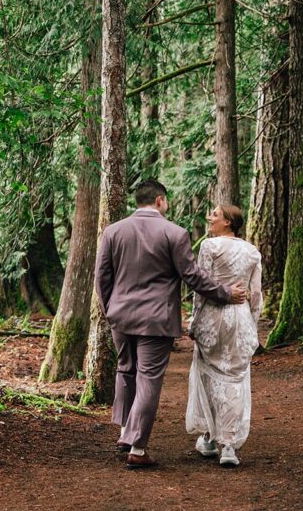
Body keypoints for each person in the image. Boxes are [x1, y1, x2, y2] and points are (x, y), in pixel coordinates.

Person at [94, 180, 248, 469]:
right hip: (156, 318)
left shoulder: (113, 231)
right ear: (160, 201)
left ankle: (126, 433)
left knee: (126, 370)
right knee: (148, 378)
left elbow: (102, 275)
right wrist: (226, 293)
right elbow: (192, 276)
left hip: (120, 317)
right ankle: (137, 449)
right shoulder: (174, 233)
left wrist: (108, 310)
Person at [186, 204, 262, 467]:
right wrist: (252, 326)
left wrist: (194, 322)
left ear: (228, 222)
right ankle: (228, 445)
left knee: (207, 375)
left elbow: (200, 288)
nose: (210, 217)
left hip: (213, 316)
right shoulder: (252, 252)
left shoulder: (210, 246)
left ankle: (208, 437)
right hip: (240, 320)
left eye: (215, 215)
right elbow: (256, 296)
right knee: (234, 379)